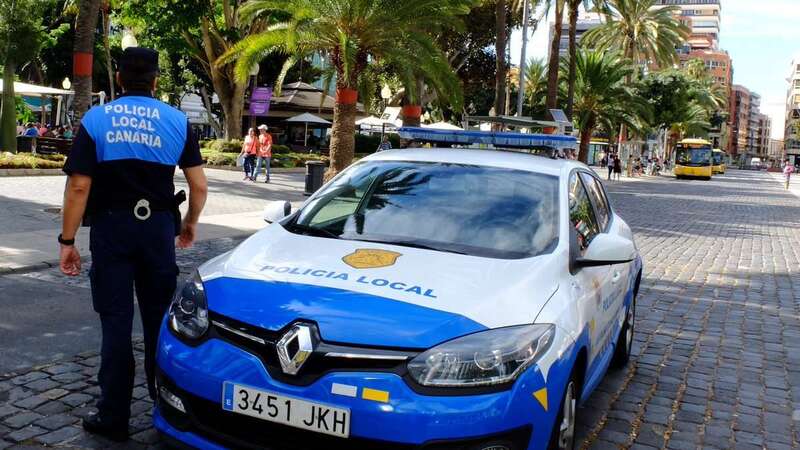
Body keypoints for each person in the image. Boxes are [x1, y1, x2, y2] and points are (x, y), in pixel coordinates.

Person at [58, 47, 208, 442]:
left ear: (120, 79)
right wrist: (189, 223)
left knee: (115, 322)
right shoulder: (177, 120)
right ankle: (164, 405)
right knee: (161, 321)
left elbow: (78, 186)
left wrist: (67, 240)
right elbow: (199, 185)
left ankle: (113, 415)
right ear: (156, 79)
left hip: (112, 229)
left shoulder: (96, 119)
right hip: (158, 229)